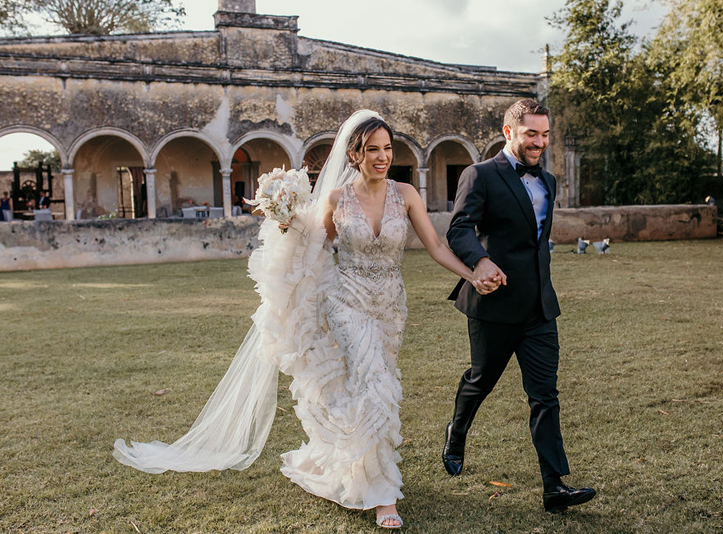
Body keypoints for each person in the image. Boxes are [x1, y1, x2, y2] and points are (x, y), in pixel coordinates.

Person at [114, 110, 494, 529]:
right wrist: (286, 218)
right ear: (355, 154)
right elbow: (314, 246)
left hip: (390, 306)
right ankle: (383, 492)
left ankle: (339, 461)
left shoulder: (405, 195)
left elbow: (437, 246)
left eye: (388, 149)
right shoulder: (336, 200)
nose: (382, 157)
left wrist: (473, 274)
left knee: (370, 382)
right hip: (346, 303)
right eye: (373, 150)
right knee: (377, 386)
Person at [441, 99, 596, 513]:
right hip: (493, 305)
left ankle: (554, 487)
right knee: (480, 380)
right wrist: (481, 260)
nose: (540, 143)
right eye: (532, 134)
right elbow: (458, 228)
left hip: (540, 307)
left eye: (545, 135)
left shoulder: (548, 180)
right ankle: (456, 432)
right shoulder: (480, 175)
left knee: (544, 395)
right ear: (508, 132)